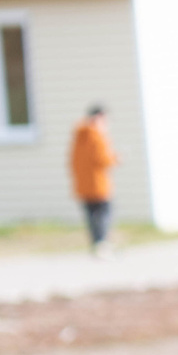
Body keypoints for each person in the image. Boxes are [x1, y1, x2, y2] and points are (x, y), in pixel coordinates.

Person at [70, 105, 117, 256]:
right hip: (98, 183)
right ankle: (102, 244)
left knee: (91, 216)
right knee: (104, 214)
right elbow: (103, 159)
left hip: (83, 183)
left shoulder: (79, 136)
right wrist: (116, 158)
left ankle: (96, 244)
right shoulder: (96, 135)